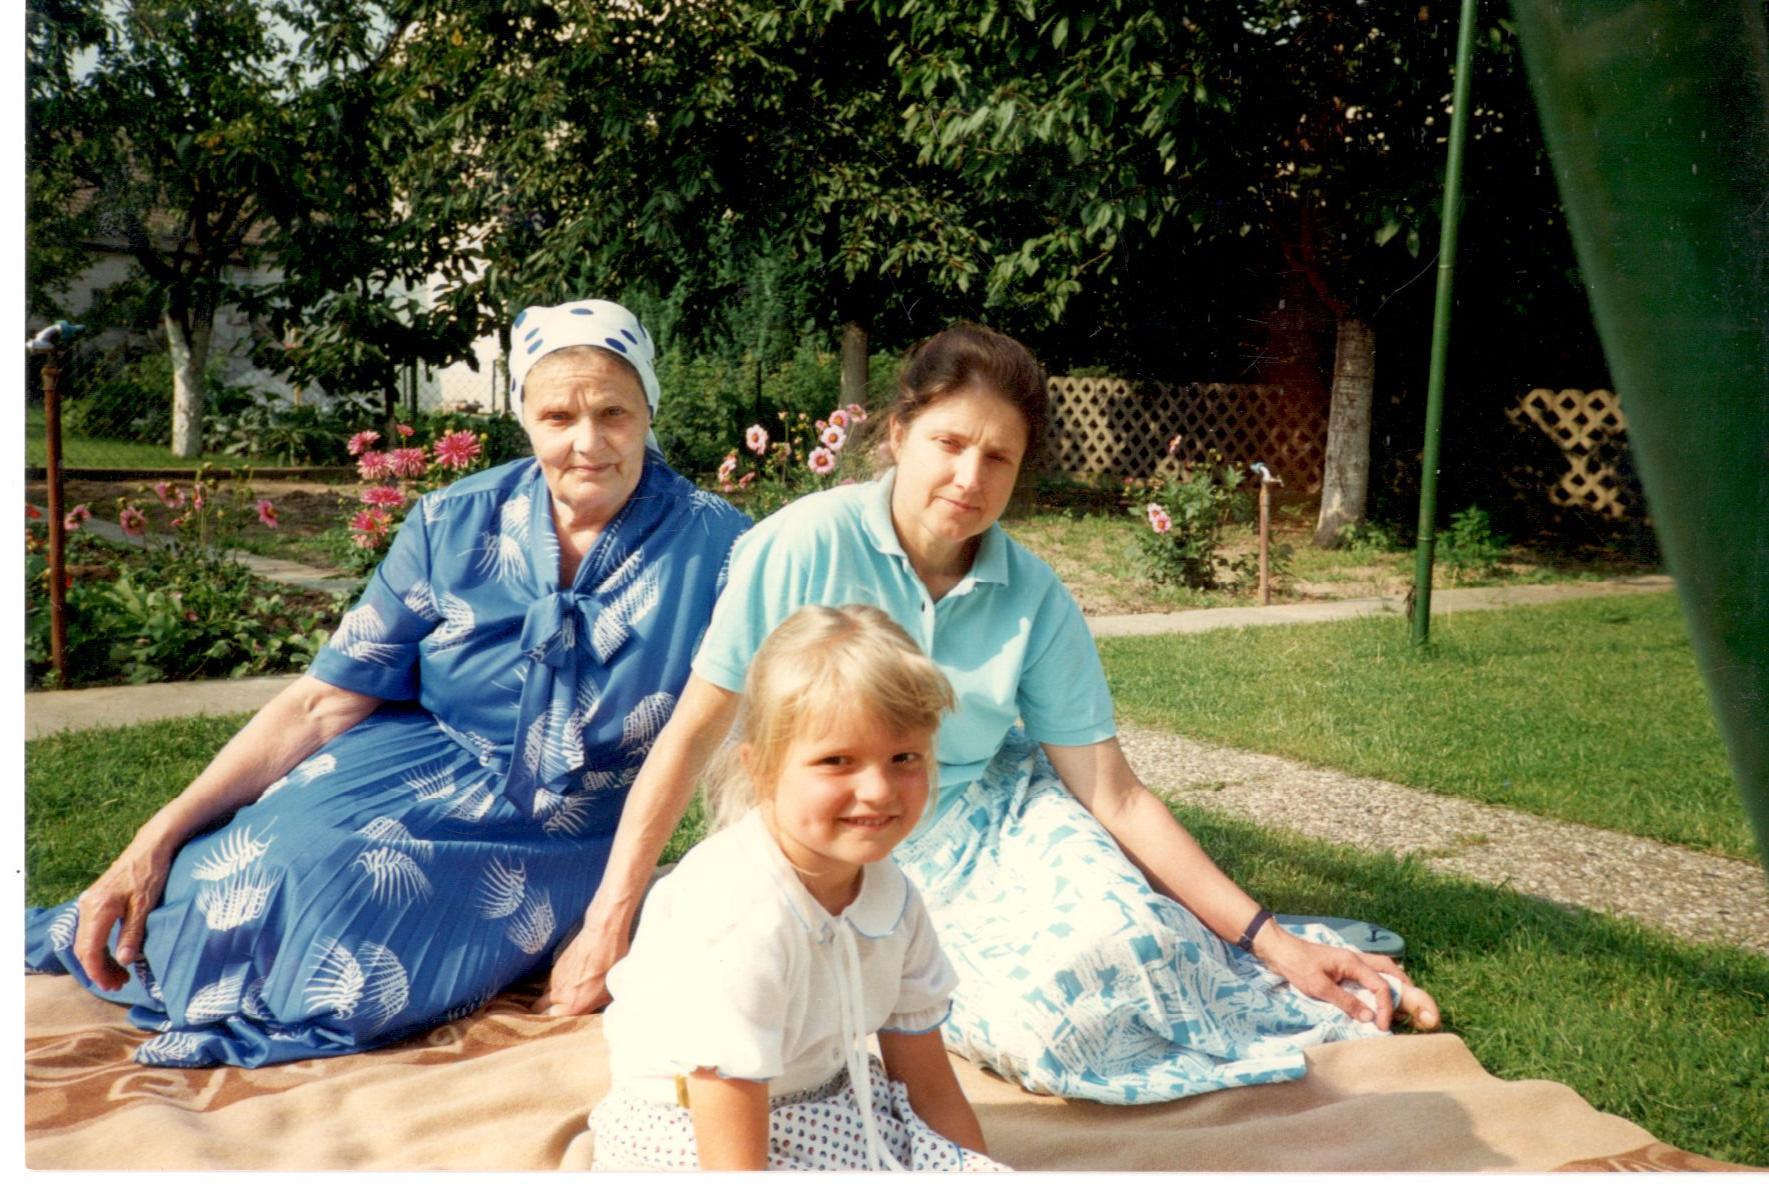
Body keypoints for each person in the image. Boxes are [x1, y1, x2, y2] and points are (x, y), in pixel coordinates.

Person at [546, 322, 1440, 1105]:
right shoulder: (801, 542)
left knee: (1125, 946)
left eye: (998, 457)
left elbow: (1114, 793)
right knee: (1052, 1028)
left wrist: (1272, 942)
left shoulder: (1033, 593)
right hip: (837, 836)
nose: (968, 477)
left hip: (999, 815)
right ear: (898, 434)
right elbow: (695, 732)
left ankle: (1278, 958)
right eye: (948, 442)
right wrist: (607, 921)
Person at [24, 300, 751, 1068]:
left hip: (573, 819)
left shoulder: (721, 548)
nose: (587, 441)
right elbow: (322, 702)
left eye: (613, 413)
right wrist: (154, 837)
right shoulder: (454, 520)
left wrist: (611, 917)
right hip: (420, 759)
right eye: (557, 416)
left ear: (648, 410)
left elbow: (703, 743)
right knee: (236, 873)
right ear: (524, 418)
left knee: (352, 944)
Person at [588, 605, 1004, 1171]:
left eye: (903, 757)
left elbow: (927, 1083)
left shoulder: (892, 895)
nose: (879, 790)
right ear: (761, 768)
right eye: (837, 761)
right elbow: (729, 1136)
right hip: (696, 1125)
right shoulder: (738, 915)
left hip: (830, 1104)